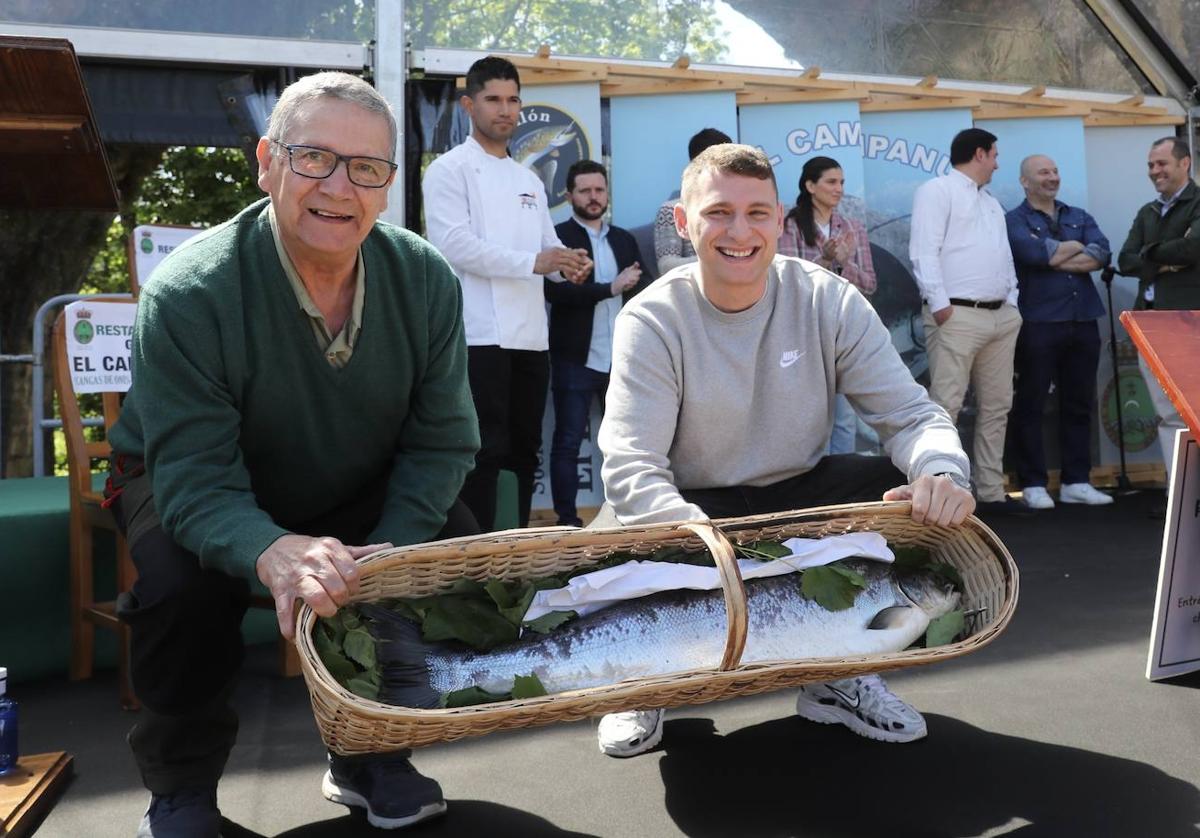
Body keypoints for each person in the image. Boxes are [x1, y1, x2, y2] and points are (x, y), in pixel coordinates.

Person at [103, 72, 481, 835]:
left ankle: (369, 754)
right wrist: (271, 550)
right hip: (184, 479)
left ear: (387, 187)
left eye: (367, 168)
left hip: (349, 473)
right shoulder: (191, 292)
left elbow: (443, 441)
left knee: (436, 547)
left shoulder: (427, 279)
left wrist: (389, 555)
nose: (339, 186)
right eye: (314, 158)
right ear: (266, 161)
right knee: (180, 585)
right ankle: (180, 790)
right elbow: (197, 482)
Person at [593, 143, 976, 758]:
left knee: (893, 485)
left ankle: (837, 669)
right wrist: (704, 540)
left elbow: (908, 414)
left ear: (780, 220)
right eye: (719, 212)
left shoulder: (829, 299)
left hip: (796, 493)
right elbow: (634, 466)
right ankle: (645, 674)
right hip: (696, 507)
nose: (739, 232)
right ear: (685, 223)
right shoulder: (651, 319)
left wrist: (939, 468)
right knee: (614, 536)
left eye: (758, 213)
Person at [422, 56, 592, 530]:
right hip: (477, 335)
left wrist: (567, 266)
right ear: (468, 105)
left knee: (524, 449)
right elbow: (453, 246)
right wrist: (535, 263)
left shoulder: (528, 180)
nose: (505, 109)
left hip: (531, 337)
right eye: (493, 99)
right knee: (483, 449)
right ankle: (474, 560)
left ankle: (516, 552)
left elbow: (547, 247)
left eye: (513, 99)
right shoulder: (448, 170)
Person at [910, 128, 1027, 516]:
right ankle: (942, 496)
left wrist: (1011, 301)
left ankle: (991, 492)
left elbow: (1002, 254)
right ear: (979, 154)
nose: (997, 162)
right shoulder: (937, 190)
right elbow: (924, 249)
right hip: (956, 315)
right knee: (945, 407)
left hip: (1000, 317)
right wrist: (941, 305)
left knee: (997, 406)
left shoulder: (990, 201)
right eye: (994, 154)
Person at [1005, 154, 1114, 508]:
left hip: (1083, 320)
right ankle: (1033, 482)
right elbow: (1034, 254)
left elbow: (1102, 253)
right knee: (1032, 403)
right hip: (1039, 323)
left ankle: (1076, 481)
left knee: (1079, 403)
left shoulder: (1077, 215)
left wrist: (1060, 254)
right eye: (1043, 173)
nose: (1052, 178)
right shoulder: (1014, 220)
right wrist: (1071, 250)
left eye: (1055, 171)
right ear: (1025, 181)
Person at [545, 160, 648, 527]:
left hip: (621, 358)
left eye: (599, 190)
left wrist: (623, 287)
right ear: (570, 195)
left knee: (625, 445)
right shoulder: (557, 238)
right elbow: (557, 294)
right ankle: (567, 521)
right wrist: (610, 287)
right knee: (568, 442)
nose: (593, 197)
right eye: (585, 190)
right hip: (575, 357)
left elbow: (644, 289)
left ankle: (625, 517)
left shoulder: (623, 239)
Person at [778, 155, 878, 453]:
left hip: (843, 328)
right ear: (810, 185)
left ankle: (841, 485)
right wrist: (826, 259)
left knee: (845, 417)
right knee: (808, 417)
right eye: (831, 182)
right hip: (802, 330)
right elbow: (786, 281)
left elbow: (870, 284)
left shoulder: (852, 227)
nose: (839, 189)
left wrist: (844, 263)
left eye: (842, 183)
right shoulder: (790, 226)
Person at [1117, 136, 1200, 477]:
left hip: (1188, 321)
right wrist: (1162, 256)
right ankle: (1178, 494)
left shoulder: (1197, 203)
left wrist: (1149, 253)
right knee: (1168, 414)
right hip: (1150, 324)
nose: (1154, 171)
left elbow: (1192, 250)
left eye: (1162, 163)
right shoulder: (1147, 211)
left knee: (1194, 409)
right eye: (1151, 165)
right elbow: (1125, 260)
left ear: (1185, 163)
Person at [653, 127, 732, 275]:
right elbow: (666, 266)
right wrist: (720, 256)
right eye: (723, 160)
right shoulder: (670, 210)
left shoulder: (739, 207)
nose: (729, 168)